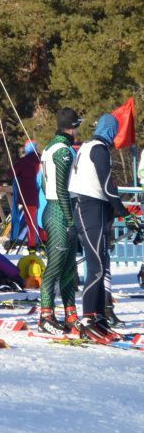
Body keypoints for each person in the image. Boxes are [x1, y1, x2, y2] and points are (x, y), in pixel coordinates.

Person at [70, 113, 136, 342]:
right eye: (115, 131)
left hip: (92, 209)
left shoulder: (89, 146)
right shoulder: (99, 148)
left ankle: (98, 317)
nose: (116, 136)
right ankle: (87, 318)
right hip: (90, 210)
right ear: (109, 130)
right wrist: (123, 212)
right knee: (96, 267)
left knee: (100, 263)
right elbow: (107, 185)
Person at [37, 107, 81, 334]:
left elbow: (44, 184)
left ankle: (70, 313)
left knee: (69, 267)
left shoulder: (48, 147)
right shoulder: (63, 150)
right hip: (59, 210)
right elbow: (62, 189)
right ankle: (45, 314)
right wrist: (70, 219)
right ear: (72, 127)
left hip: (56, 208)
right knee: (55, 267)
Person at [9, 140, 41, 250]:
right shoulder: (42, 159)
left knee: (31, 221)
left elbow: (11, 173)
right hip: (44, 194)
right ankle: (44, 240)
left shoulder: (23, 161)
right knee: (41, 219)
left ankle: (32, 244)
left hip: (28, 196)